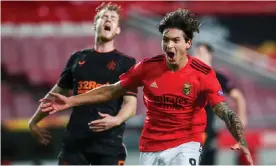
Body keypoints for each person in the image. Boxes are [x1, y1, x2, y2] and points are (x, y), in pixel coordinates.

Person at [40, 9, 253, 165]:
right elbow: (111, 90)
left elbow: (223, 110)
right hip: (151, 146)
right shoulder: (147, 68)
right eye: (165, 40)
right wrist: (70, 100)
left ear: (187, 44)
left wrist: (240, 137)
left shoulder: (203, 74)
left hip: (186, 143)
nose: (169, 45)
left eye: (175, 40)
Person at [28, 2, 137, 165]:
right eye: (103, 17)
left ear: (117, 29)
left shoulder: (126, 63)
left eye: (113, 18)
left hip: (109, 144)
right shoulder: (77, 58)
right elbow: (56, 94)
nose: (108, 20)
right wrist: (34, 121)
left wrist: (116, 120)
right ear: (95, 25)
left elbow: (131, 104)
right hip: (75, 143)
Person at [194, 43, 248, 165]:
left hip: (207, 133)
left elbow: (238, 96)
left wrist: (241, 119)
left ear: (210, 55)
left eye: (201, 53)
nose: (197, 57)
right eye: (196, 53)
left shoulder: (217, 77)